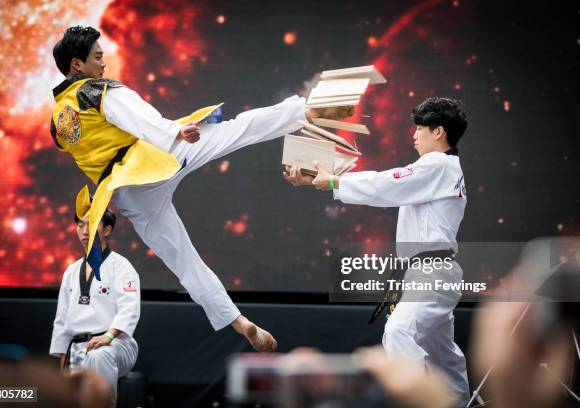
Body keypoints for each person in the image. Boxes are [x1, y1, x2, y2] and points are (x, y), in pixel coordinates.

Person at [50, 26, 351, 352]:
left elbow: (89, 148)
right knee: (236, 130)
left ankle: (239, 322)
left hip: (126, 191)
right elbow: (135, 115)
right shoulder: (94, 90)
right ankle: (304, 111)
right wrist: (175, 133)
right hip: (154, 158)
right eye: (97, 58)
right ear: (77, 65)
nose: (103, 64)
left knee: (183, 261)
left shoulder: (57, 120)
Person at [284, 97, 470, 404]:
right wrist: (325, 178)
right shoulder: (442, 169)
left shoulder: (436, 165)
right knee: (443, 352)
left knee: (399, 332)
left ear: (439, 132)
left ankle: (415, 401)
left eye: (420, 128)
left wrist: (333, 181)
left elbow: (386, 185)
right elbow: (388, 185)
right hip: (427, 271)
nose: (414, 135)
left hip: (430, 272)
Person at [50, 191, 140, 404]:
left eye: (91, 225)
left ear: (107, 230)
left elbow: (130, 308)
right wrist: (63, 361)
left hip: (115, 343)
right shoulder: (71, 271)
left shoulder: (122, 267)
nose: (84, 231)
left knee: (99, 356)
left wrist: (108, 337)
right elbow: (62, 320)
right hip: (78, 345)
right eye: (80, 225)